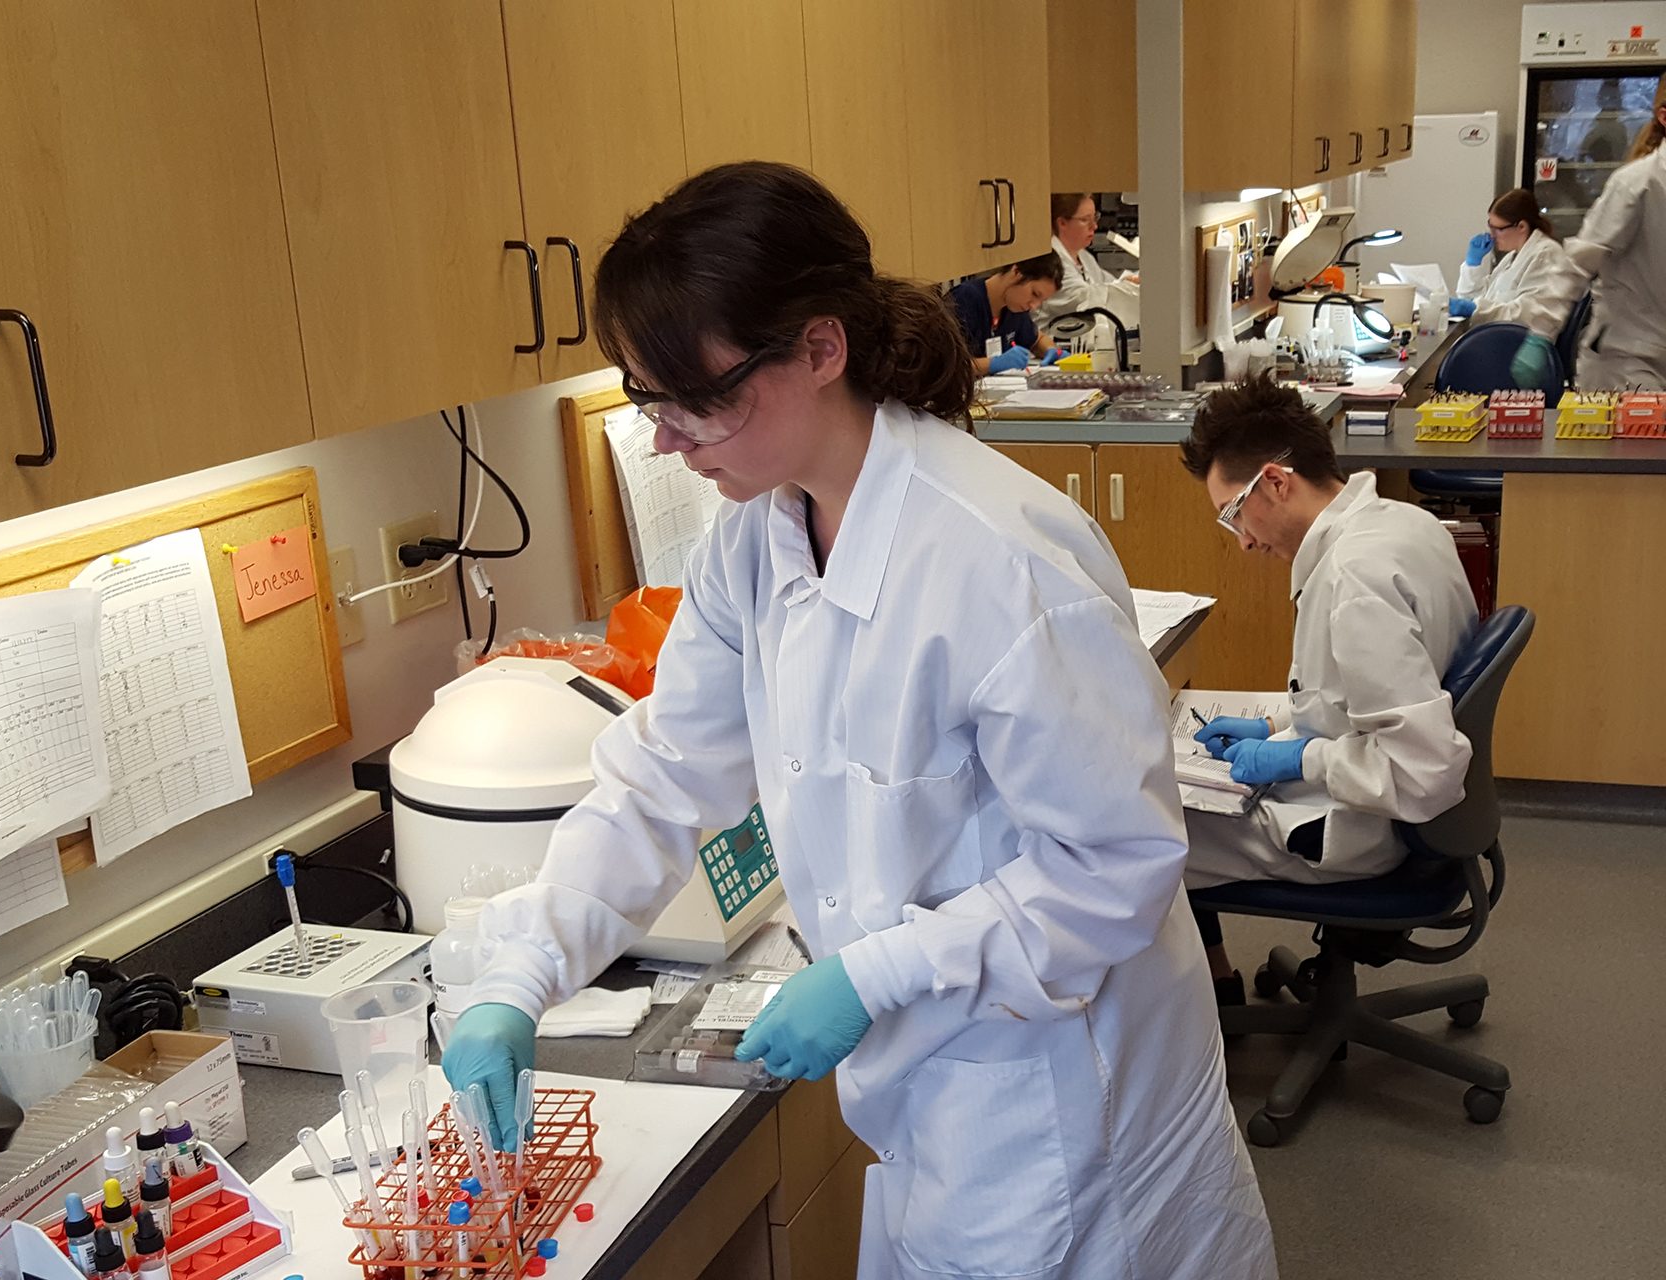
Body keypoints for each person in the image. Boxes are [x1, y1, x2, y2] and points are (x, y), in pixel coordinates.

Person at [442, 162, 1276, 1279]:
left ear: (821, 348)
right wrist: (518, 972)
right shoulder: (753, 541)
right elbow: (662, 775)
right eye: (649, 399)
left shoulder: (1000, 560)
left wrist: (874, 973)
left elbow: (1114, 869)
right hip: (936, 1103)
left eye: (697, 398)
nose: (668, 441)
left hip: (1073, 1111)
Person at [1177, 377, 1478, 1000]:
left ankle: (1212, 999)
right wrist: (1276, 730)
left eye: (1234, 514)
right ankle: (1214, 984)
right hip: (1390, 806)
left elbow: (1421, 770)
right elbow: (1359, 701)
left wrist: (1296, 754)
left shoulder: (1355, 580)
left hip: (1363, 827)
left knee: (1141, 832)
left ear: (1276, 482)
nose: (1243, 541)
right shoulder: (1400, 522)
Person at [1513, 74, 1666, 390]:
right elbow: (1579, 261)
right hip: (1629, 361)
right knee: (1638, 439)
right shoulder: (1637, 183)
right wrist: (1541, 334)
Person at [1450, 189, 1569, 326]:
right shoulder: (1512, 257)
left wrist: (1476, 309)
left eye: (1498, 229)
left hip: (1519, 342)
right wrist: (1473, 264)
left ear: (1521, 226)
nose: (1492, 235)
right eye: (1491, 226)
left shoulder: (1546, 255)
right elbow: (1479, 298)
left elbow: (1529, 315)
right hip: (1499, 335)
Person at [947, 252, 1065, 374]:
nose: (1034, 306)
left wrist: (1050, 350)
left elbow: (1037, 338)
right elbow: (945, 367)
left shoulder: (1014, 307)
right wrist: (992, 364)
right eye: (1034, 294)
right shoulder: (964, 299)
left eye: (1041, 301)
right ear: (1016, 272)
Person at [1042, 192, 1138, 324]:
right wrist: (1126, 287)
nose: (1094, 226)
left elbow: (1108, 282)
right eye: (1085, 220)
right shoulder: (1049, 261)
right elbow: (1082, 298)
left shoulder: (1084, 256)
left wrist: (1129, 281)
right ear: (1062, 223)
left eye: (1095, 218)